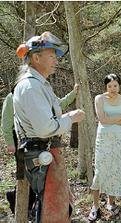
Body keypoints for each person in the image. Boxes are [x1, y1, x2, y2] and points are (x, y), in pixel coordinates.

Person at [13, 31, 85, 223]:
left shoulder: (39, 84)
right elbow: (45, 128)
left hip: (46, 151)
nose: (56, 60)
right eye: (51, 56)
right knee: (49, 210)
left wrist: (67, 116)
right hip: (40, 153)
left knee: (56, 207)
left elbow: (50, 116)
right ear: (36, 57)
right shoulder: (31, 87)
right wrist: (71, 119)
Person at [1, 83, 80, 217]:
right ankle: (17, 202)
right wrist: (10, 143)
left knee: (38, 174)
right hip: (19, 139)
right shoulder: (11, 97)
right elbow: (6, 123)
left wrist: (73, 93)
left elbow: (59, 105)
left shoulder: (40, 96)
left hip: (39, 138)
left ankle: (33, 206)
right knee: (25, 175)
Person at [88, 74, 121, 221]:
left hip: (118, 138)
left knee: (115, 168)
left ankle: (111, 202)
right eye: (110, 86)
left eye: (115, 86)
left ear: (119, 85)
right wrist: (119, 118)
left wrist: (113, 120)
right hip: (103, 138)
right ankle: (95, 206)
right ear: (105, 87)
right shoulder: (99, 98)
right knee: (100, 170)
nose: (113, 89)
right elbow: (102, 120)